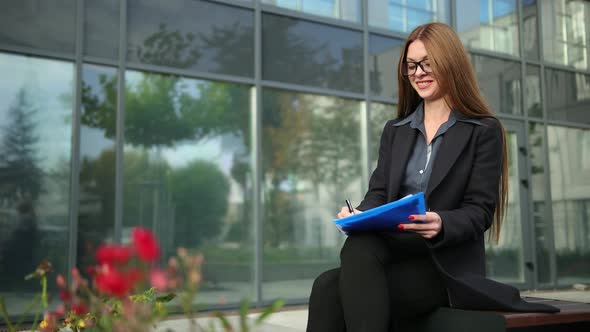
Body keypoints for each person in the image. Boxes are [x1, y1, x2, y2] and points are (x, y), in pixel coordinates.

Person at [305, 22, 558, 332]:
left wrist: (441, 222)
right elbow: (379, 192)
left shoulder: (483, 130)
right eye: (411, 66)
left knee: (328, 289)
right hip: (392, 250)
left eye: (428, 63)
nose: (419, 73)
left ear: (450, 63)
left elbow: (479, 211)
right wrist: (360, 214)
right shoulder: (396, 131)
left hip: (442, 265)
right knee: (349, 256)